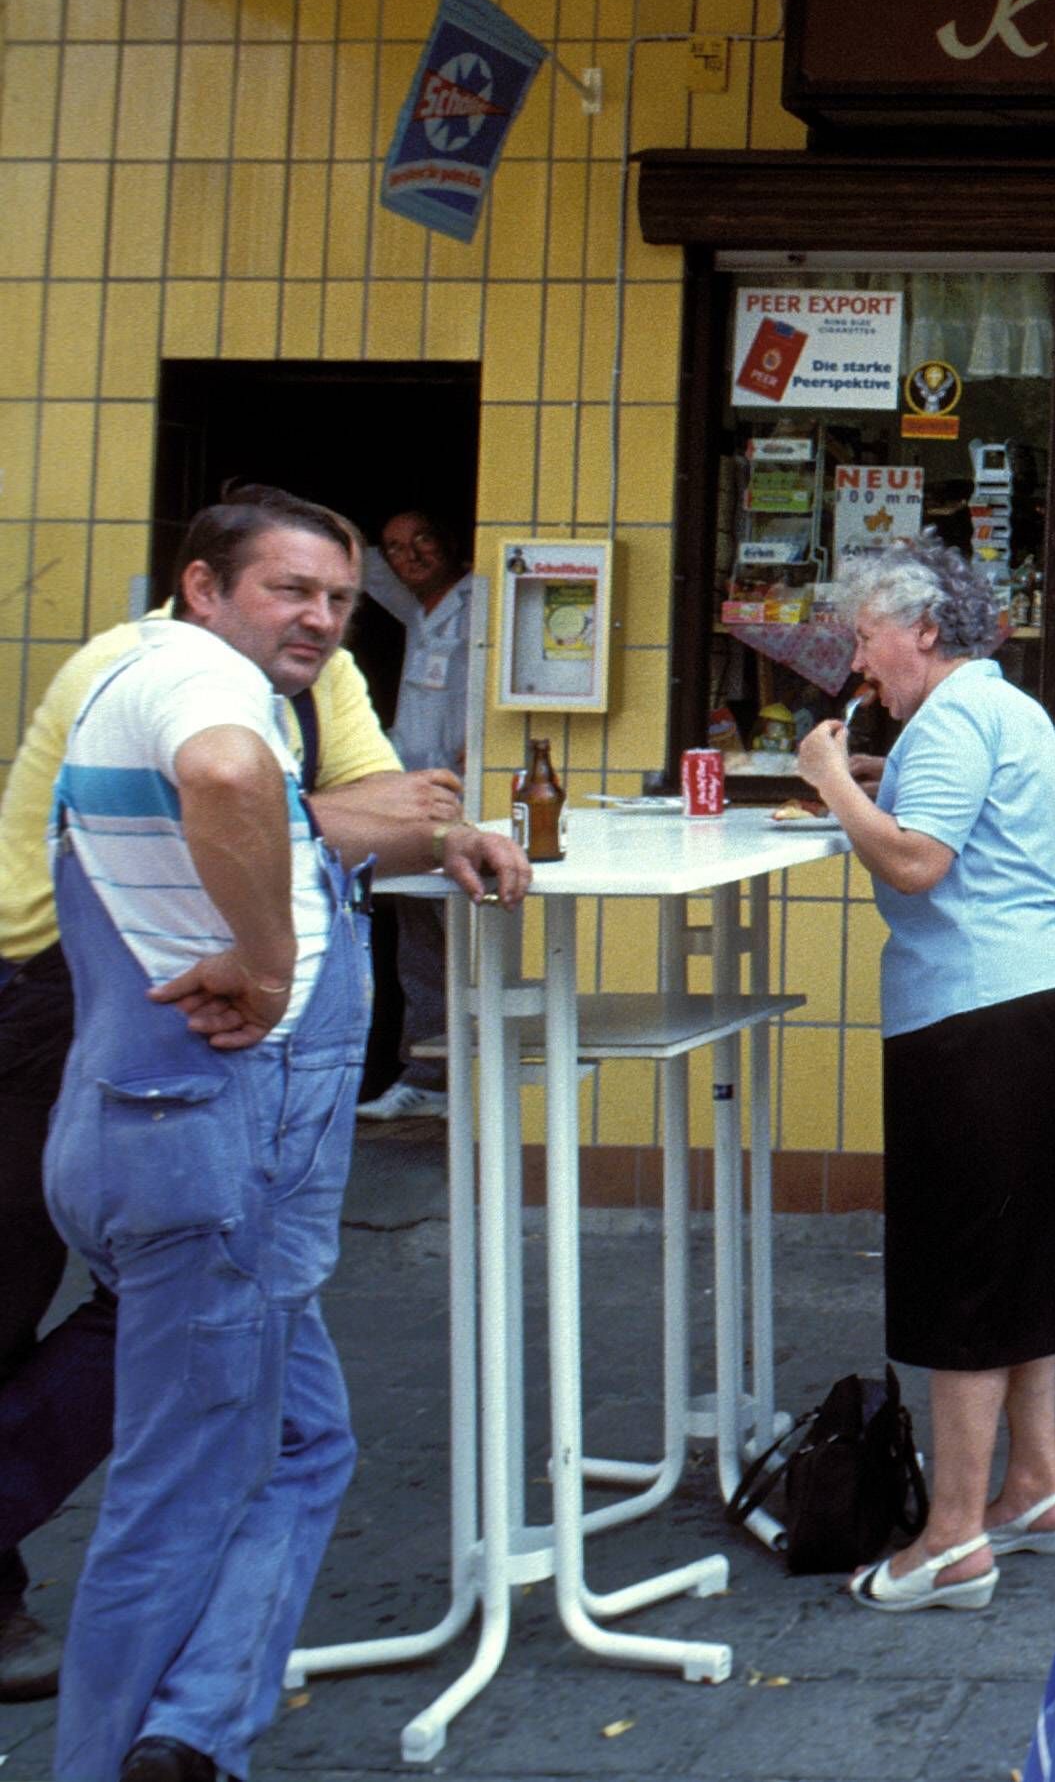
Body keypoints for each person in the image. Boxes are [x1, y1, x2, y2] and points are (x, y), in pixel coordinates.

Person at [39, 489, 525, 1782]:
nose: (319, 617)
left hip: (173, 1138)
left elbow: (301, 806)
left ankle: (193, 1728)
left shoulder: (192, 678)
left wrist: (375, 831)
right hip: (200, 1153)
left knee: (305, 1440)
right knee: (179, 1489)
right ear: (204, 586)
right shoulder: (196, 678)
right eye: (289, 589)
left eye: (338, 598)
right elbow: (227, 774)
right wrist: (262, 963)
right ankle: (105, 1756)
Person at [795, 539, 1055, 1610]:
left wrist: (833, 779)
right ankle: (1036, 1486)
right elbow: (955, 829)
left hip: (981, 1017)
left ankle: (951, 1538)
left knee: (966, 1277)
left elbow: (917, 862)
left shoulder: (946, 721)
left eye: (866, 635)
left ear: (924, 630)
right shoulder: (1004, 707)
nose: (857, 660)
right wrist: (879, 783)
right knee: (1022, 1267)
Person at [355, 505, 482, 1123]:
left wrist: (482, 745)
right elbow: (359, 561)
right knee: (420, 947)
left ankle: (469, 1083)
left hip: (467, 796)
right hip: (414, 799)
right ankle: (427, 1079)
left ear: (449, 540)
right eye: (396, 547)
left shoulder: (479, 599)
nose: (410, 556)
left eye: (422, 540)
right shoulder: (415, 609)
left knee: (466, 940)